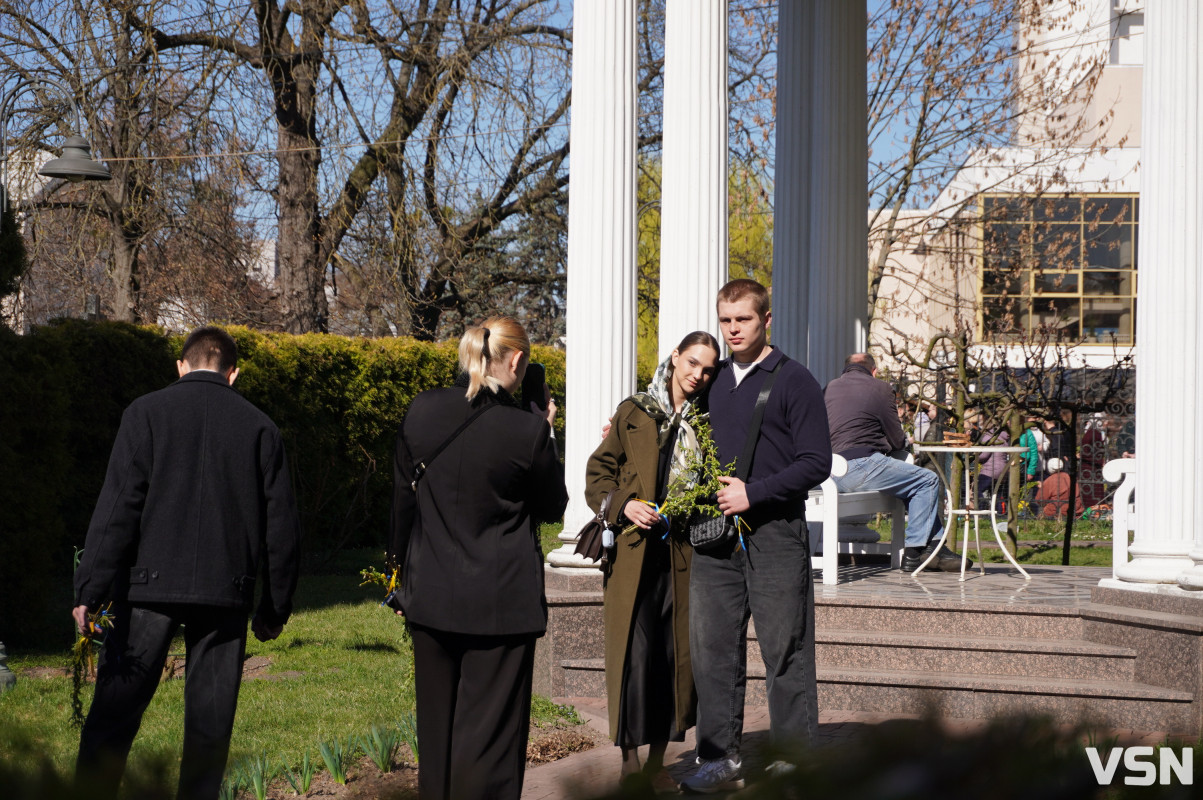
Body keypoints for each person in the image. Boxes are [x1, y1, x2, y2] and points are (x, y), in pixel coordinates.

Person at [73, 326, 301, 800]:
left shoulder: (145, 413)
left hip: (146, 588)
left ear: (181, 366)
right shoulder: (261, 429)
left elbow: (117, 507)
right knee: (208, 734)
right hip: (225, 591)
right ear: (233, 373)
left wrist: (89, 589)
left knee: (112, 718)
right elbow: (282, 530)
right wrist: (274, 608)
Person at [389, 316, 567, 800]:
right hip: (499, 606)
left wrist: (397, 578)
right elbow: (553, 505)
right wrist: (545, 431)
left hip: (430, 597)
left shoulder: (421, 410)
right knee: (489, 745)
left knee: (437, 739)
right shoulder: (527, 431)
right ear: (517, 360)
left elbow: (403, 501)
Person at [681, 279, 832, 794]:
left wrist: (756, 492)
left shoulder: (795, 380)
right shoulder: (714, 380)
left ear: (766, 319)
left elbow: (817, 461)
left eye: (742, 319)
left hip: (775, 533)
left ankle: (794, 758)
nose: (732, 329)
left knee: (785, 649)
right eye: (725, 320)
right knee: (712, 651)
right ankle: (718, 758)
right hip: (716, 537)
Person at [585, 331, 720, 790]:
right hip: (632, 556)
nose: (698, 375)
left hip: (682, 555)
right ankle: (629, 762)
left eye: (708, 370)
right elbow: (598, 473)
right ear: (675, 358)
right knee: (633, 656)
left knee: (673, 659)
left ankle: (657, 763)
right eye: (692, 363)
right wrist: (624, 505)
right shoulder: (636, 411)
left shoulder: (706, 422)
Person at [823, 353, 968, 572]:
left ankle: (935, 547)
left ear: (846, 368)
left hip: (829, 474)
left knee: (910, 484)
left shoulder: (828, 389)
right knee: (926, 480)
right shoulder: (880, 388)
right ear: (874, 371)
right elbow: (897, 439)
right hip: (861, 465)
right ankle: (914, 553)